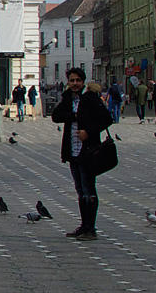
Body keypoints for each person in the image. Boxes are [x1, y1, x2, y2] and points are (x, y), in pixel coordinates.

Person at [51, 68, 112, 240]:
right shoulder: (67, 97)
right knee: (80, 190)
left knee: (89, 189)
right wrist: (74, 115)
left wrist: (89, 132)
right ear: (68, 82)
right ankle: (84, 225)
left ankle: (91, 229)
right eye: (72, 80)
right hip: (73, 151)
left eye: (78, 80)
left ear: (83, 81)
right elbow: (56, 116)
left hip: (89, 151)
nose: (75, 83)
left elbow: (107, 119)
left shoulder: (91, 98)